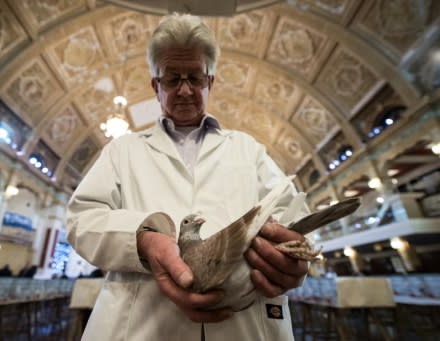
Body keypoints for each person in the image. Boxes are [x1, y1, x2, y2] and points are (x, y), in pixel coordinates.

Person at [67, 13, 310, 340]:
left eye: (195, 78)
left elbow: (293, 213)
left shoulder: (248, 149)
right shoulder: (122, 150)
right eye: (172, 79)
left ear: (210, 82)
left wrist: (292, 256)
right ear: (156, 86)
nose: (184, 90)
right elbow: (82, 220)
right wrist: (141, 239)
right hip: (143, 325)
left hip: (244, 325)